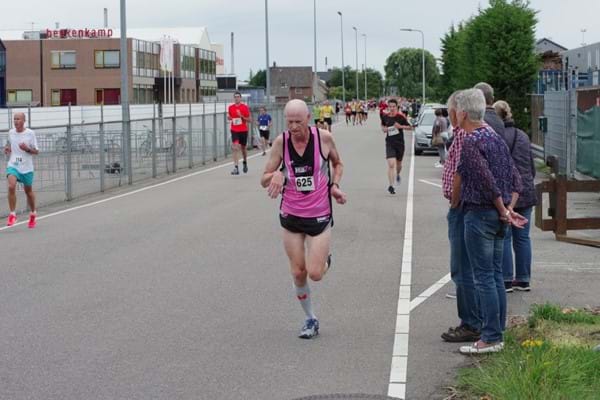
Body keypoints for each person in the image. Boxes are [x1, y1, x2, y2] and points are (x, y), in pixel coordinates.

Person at [261, 99, 347, 339]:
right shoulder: (282, 142)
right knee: (298, 272)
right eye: (289, 122)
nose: (293, 127)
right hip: (291, 215)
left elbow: (338, 163)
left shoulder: (324, 138)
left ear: (309, 118)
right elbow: (264, 178)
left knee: (315, 273)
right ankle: (310, 319)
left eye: (298, 122)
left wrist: (335, 185)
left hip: (319, 215)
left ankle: (325, 260)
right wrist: (275, 175)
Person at [454, 89, 526, 354]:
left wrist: (501, 207)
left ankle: (491, 337)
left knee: (483, 277)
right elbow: (516, 180)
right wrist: (508, 208)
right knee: (495, 275)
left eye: (457, 111)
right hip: (499, 217)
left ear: (463, 113)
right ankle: (498, 331)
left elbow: (486, 180)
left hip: (480, 214)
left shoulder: (471, 141)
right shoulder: (495, 138)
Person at [440, 91, 481, 343]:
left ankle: (471, 323)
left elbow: (460, 174)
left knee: (462, 268)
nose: (449, 116)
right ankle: (474, 320)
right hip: (464, 207)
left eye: (450, 112)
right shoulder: (461, 134)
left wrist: (455, 202)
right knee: (467, 268)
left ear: (459, 112)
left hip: (463, 208)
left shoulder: (465, 136)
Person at [493, 100, 537, 293]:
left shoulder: (497, 136)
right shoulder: (523, 135)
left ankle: (506, 279)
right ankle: (524, 278)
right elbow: (531, 166)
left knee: (505, 236)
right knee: (523, 238)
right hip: (526, 190)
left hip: (508, 193)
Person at [4, 112, 39, 228]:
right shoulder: (11, 132)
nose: (16, 121)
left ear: (24, 120)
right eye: (14, 119)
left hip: (26, 167)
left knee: (28, 192)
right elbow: (9, 144)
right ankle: (12, 215)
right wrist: (7, 148)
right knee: (11, 186)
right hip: (13, 164)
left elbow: (36, 151)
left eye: (18, 119)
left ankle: (33, 213)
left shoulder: (30, 133)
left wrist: (27, 149)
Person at [380, 99, 412, 195]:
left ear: (397, 107)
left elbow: (410, 127)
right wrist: (384, 129)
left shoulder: (401, 117)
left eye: (393, 106)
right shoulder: (385, 117)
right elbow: (382, 125)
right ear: (388, 107)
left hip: (400, 144)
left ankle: (397, 173)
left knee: (398, 165)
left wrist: (400, 127)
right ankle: (391, 185)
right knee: (391, 164)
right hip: (390, 143)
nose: (392, 108)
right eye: (390, 107)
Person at [227, 92, 252, 175]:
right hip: (234, 130)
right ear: (233, 98)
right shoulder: (230, 107)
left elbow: (250, 120)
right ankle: (236, 167)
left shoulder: (245, 107)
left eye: (238, 97)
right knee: (235, 147)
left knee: (243, 149)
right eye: (235, 97)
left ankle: (245, 162)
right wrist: (229, 117)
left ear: (240, 98)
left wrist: (242, 116)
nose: (236, 98)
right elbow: (230, 117)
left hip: (243, 130)